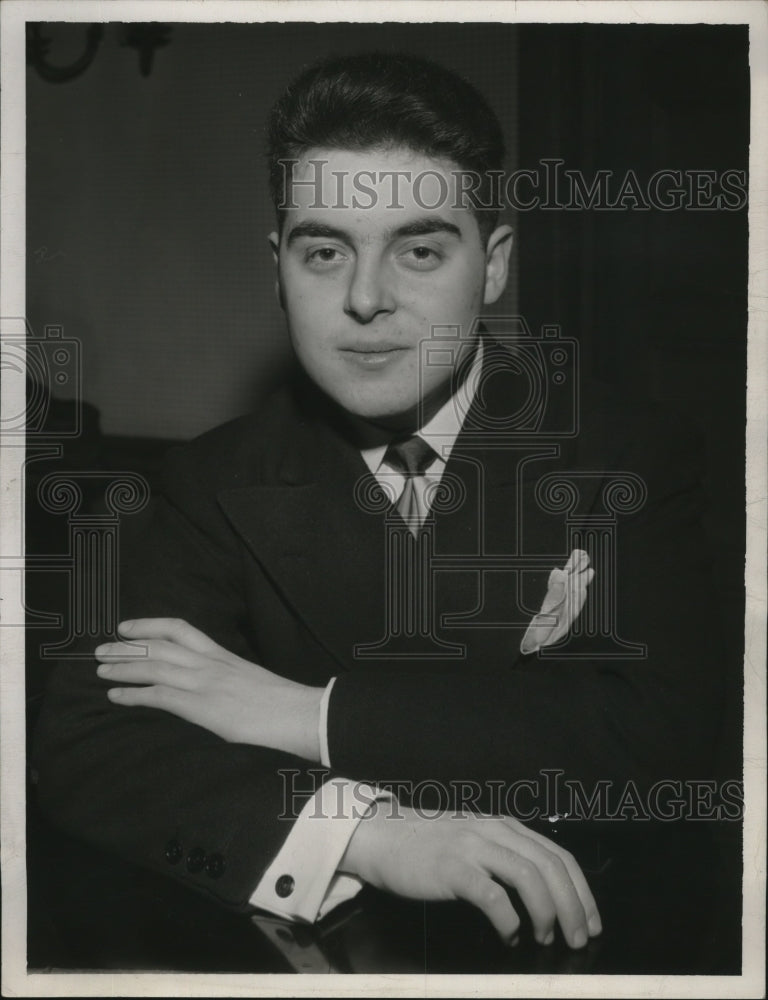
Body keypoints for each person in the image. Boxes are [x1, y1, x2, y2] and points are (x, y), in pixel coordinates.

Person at [32, 52, 724, 955]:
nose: (365, 299)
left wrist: (298, 713)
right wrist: (362, 830)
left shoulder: (631, 451)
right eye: (325, 252)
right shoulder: (207, 484)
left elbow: (658, 736)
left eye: (420, 250)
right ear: (276, 267)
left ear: (495, 265)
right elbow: (89, 743)